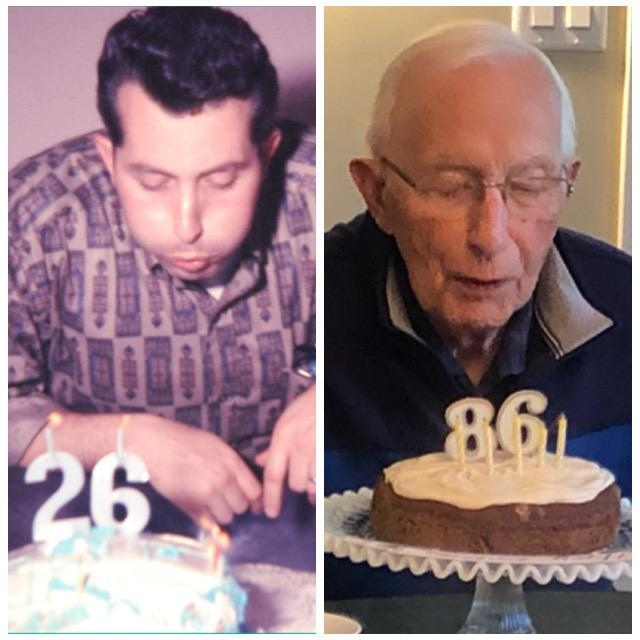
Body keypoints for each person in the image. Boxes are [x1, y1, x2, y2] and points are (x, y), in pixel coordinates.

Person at [325, 20, 630, 597]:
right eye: (450, 186)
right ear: (377, 194)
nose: (490, 236)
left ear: (568, 183)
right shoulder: (299, 317)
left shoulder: (626, 310)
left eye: (530, 184)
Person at [9, 7, 315, 560]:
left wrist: (331, 394)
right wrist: (127, 440)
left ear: (266, 154)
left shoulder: (319, 195)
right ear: (110, 155)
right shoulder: (30, 218)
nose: (187, 224)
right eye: (152, 181)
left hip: (287, 527)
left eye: (222, 179)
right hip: (82, 528)